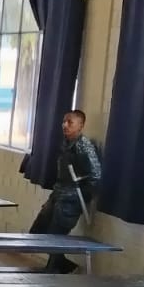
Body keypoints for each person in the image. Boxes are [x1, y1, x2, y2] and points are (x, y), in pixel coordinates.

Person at [31, 109, 103, 273]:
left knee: (57, 236)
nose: (65, 125)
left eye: (70, 122)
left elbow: (95, 175)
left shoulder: (84, 146)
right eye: (64, 121)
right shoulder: (66, 143)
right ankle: (65, 265)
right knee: (39, 231)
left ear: (80, 126)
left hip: (71, 199)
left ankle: (53, 271)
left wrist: (82, 195)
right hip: (58, 193)